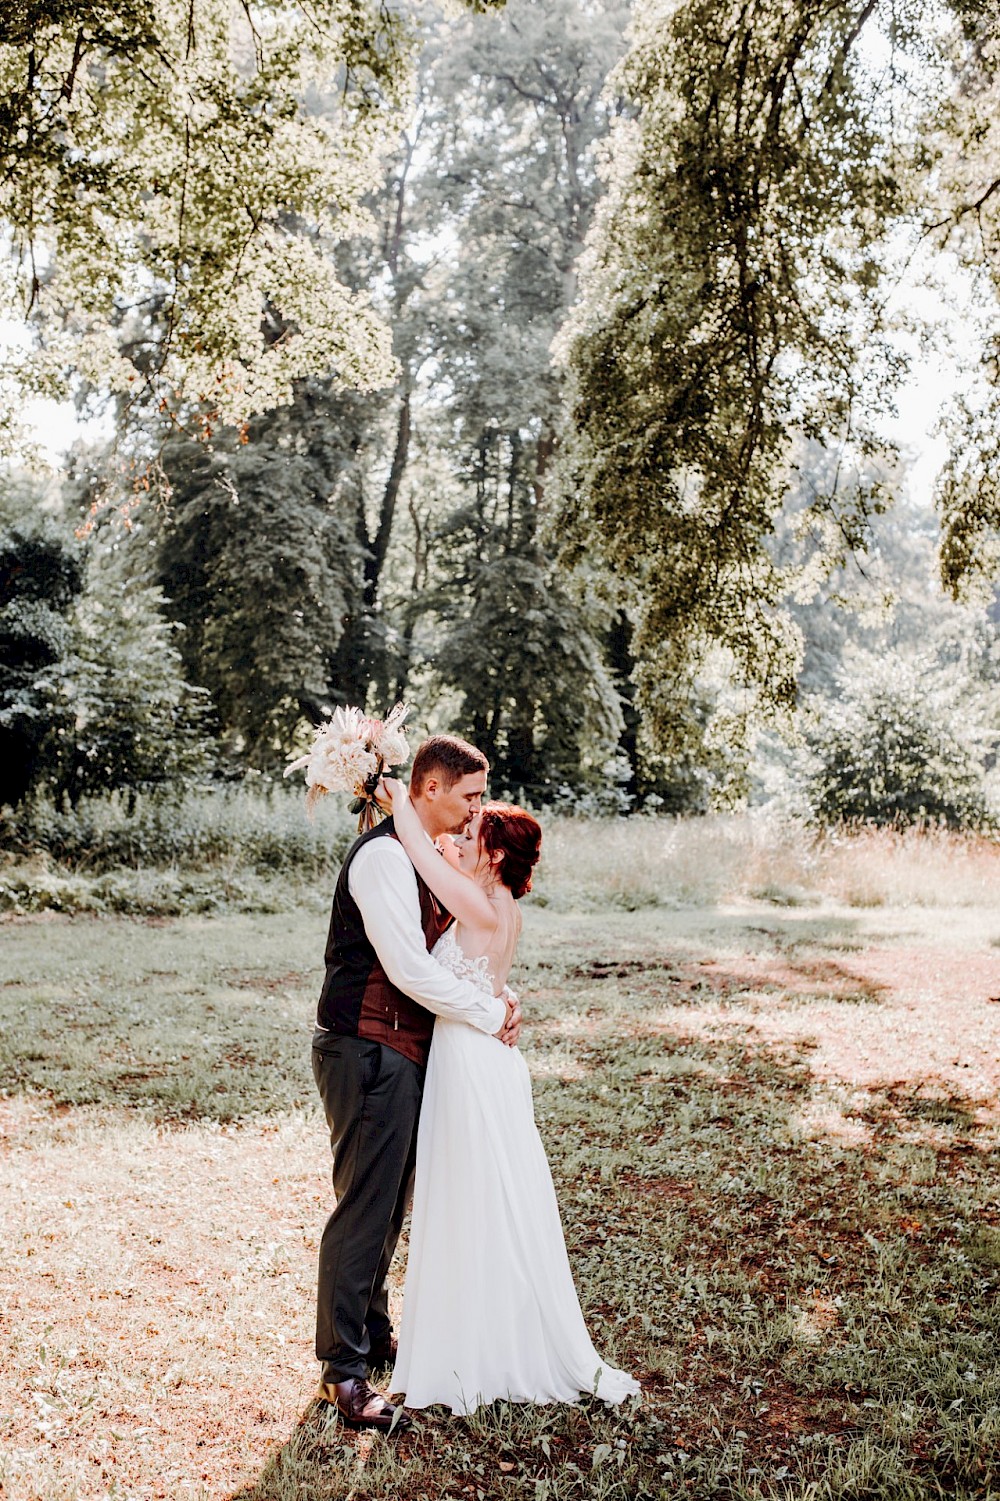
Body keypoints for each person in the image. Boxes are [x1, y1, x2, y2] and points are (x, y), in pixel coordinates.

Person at [383, 777, 640, 1415]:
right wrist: (504, 1000)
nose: (460, 838)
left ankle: (474, 1347)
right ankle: (479, 1329)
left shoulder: (480, 903)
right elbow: (487, 971)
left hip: (471, 1061)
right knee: (485, 1195)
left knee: (470, 1196)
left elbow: (417, 848)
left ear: (494, 855)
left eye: (472, 834)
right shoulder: (499, 906)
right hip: (485, 1055)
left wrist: (395, 800)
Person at [311, 735, 521, 1434]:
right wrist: (488, 1012)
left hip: (402, 1051)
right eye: (468, 795)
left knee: (390, 1201)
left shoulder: (423, 859)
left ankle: (370, 1334)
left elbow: (446, 955)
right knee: (365, 1205)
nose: (476, 810)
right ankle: (343, 1370)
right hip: (365, 1048)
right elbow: (406, 968)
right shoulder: (381, 860)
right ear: (428, 788)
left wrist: (497, 993)